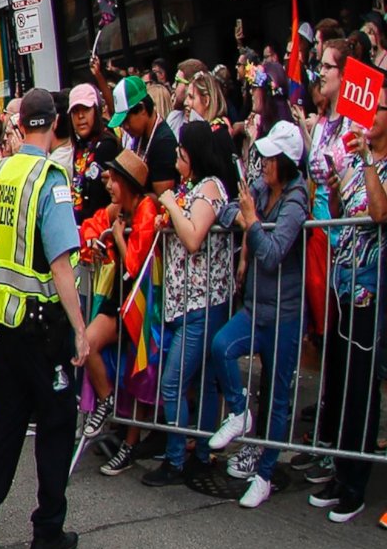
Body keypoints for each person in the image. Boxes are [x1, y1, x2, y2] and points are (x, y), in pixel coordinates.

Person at [0, 88, 89, 549]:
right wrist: (80, 328)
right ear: (52, 124)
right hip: (44, 325)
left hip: (5, 324)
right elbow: (60, 263)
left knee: (5, 432)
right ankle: (47, 531)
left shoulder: (0, 175)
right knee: (55, 428)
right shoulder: (50, 178)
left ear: (21, 125)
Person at [208, 122, 311, 509]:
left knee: (279, 398)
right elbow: (229, 209)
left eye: (269, 158)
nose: (263, 164)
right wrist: (245, 215)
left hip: (284, 314)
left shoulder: (296, 199)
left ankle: (266, 474)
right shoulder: (265, 189)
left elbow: (271, 252)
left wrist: (250, 223)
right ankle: (238, 410)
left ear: (285, 162)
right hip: (255, 307)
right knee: (221, 346)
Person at [305, 44, 385, 522]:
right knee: (342, 375)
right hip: (342, 277)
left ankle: (356, 483)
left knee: (362, 382)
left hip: (371, 285)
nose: (368, 120)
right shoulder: (357, 156)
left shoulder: (377, 161)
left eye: (378, 111)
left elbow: (378, 210)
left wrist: (369, 161)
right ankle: (341, 468)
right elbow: (338, 202)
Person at [147, 123, 241, 490]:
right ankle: (199, 455)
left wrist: (170, 204)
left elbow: (193, 237)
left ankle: (176, 459)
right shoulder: (191, 189)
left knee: (173, 384)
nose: (175, 157)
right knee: (198, 385)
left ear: (193, 153)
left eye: (180, 150)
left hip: (202, 304)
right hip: (183, 303)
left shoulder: (211, 188)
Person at [73, 151, 159, 477]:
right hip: (118, 299)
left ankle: (130, 444)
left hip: (142, 305)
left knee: (136, 373)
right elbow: (93, 225)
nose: (108, 185)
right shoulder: (119, 208)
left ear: (128, 184)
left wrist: (119, 241)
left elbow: (137, 265)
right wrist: (96, 239)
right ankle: (105, 400)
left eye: (114, 180)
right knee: (87, 342)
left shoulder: (147, 209)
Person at [112, 77, 178, 202]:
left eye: (126, 120)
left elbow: (164, 200)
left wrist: (124, 193)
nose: (125, 127)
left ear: (142, 109)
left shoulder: (163, 143)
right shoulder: (140, 135)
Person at [66, 83, 123, 222]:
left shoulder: (106, 146)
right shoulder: (79, 147)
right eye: (75, 111)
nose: (80, 116)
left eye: (85, 109)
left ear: (96, 111)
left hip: (102, 232)